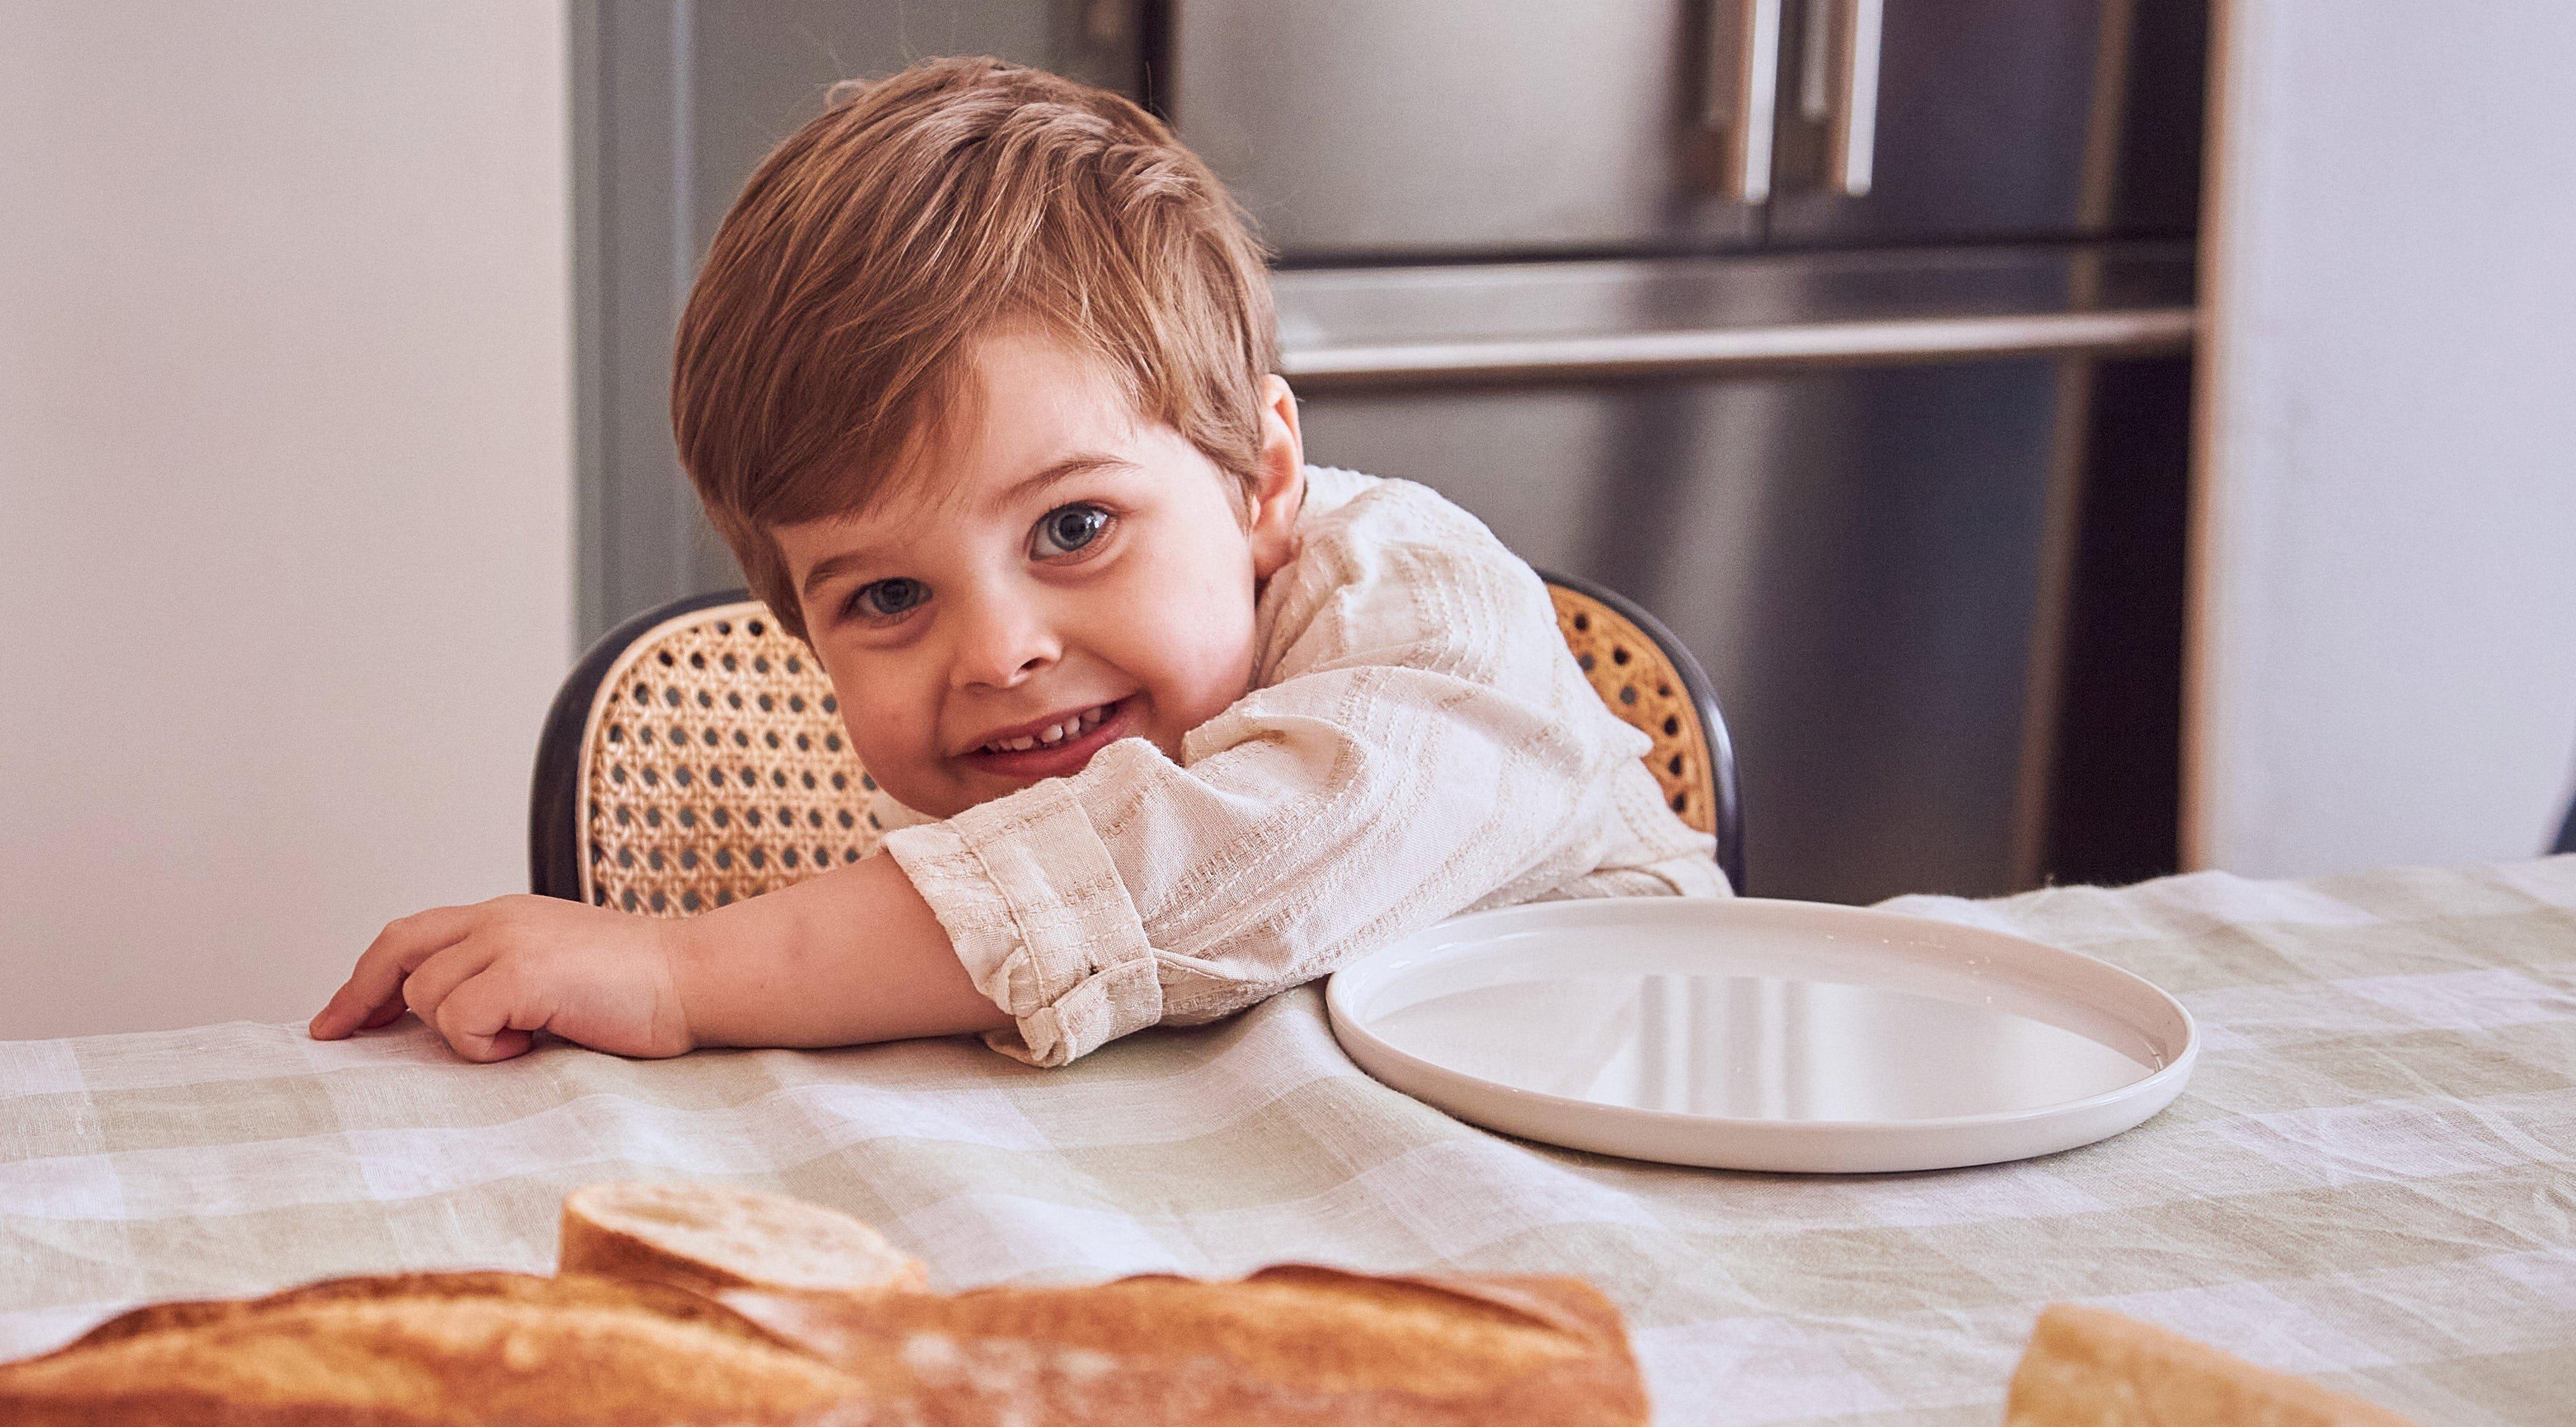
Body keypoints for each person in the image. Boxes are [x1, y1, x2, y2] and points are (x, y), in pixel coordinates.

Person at [309, 57, 1725, 1069]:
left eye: (1071, 528)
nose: (995, 653)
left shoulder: (1430, 613)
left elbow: (1228, 859)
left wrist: (686, 968)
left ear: (1263, 483)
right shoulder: (1050, 723)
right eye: (886, 596)